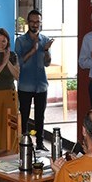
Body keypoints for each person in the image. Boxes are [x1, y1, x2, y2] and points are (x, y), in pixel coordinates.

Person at [15, 10, 54, 149]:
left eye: (37, 22)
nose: (35, 24)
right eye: (32, 21)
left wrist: (45, 51)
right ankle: (25, 143)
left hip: (41, 85)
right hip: (25, 85)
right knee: (24, 115)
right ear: (28, 23)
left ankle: (40, 143)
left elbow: (47, 63)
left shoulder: (45, 39)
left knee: (40, 116)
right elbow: (18, 62)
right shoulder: (20, 41)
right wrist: (33, 50)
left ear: (40, 23)